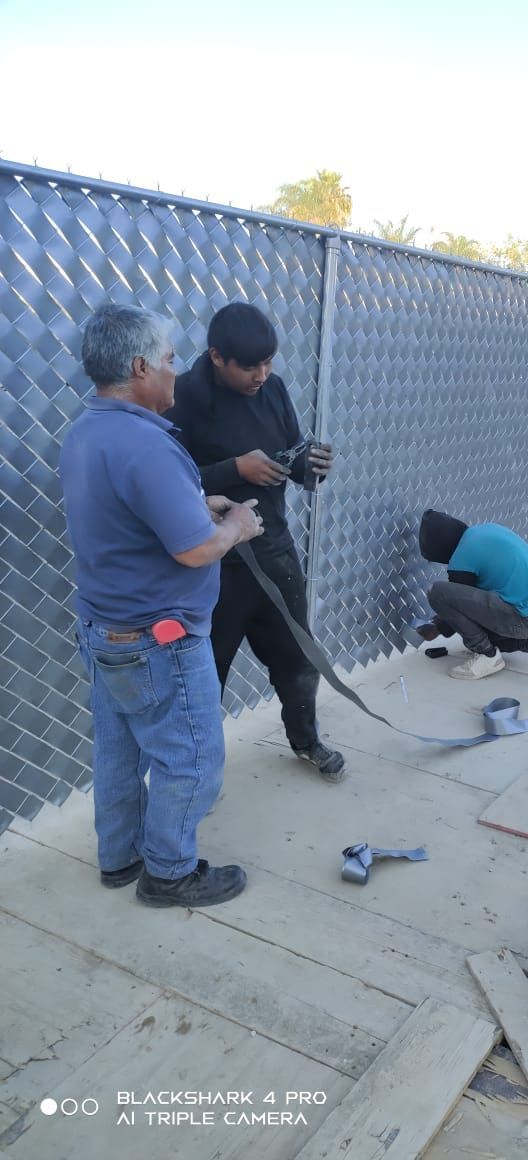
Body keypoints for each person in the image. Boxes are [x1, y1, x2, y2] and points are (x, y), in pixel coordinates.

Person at [59, 304, 264, 908]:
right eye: (172, 360)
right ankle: (170, 873)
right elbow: (199, 551)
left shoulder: (88, 431)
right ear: (141, 366)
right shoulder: (147, 445)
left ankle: (119, 857)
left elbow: (132, 515)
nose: (178, 372)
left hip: (105, 629)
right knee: (191, 757)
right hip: (159, 640)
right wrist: (240, 526)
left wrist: (198, 500)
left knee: (120, 752)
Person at [165, 303, 345, 781]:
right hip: (212, 564)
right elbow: (164, 483)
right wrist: (234, 470)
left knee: (297, 659)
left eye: (268, 363)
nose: (261, 375)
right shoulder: (180, 396)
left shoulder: (274, 389)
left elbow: (290, 449)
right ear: (217, 357)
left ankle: (306, 741)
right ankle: (196, 770)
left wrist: (309, 465)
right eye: (249, 366)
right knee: (207, 674)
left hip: (274, 552)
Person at [416, 509, 528, 680]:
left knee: (437, 593)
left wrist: (437, 628)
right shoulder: (484, 531)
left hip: (523, 618)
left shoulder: (461, 557)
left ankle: (488, 656)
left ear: (442, 548)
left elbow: (461, 609)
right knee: (476, 633)